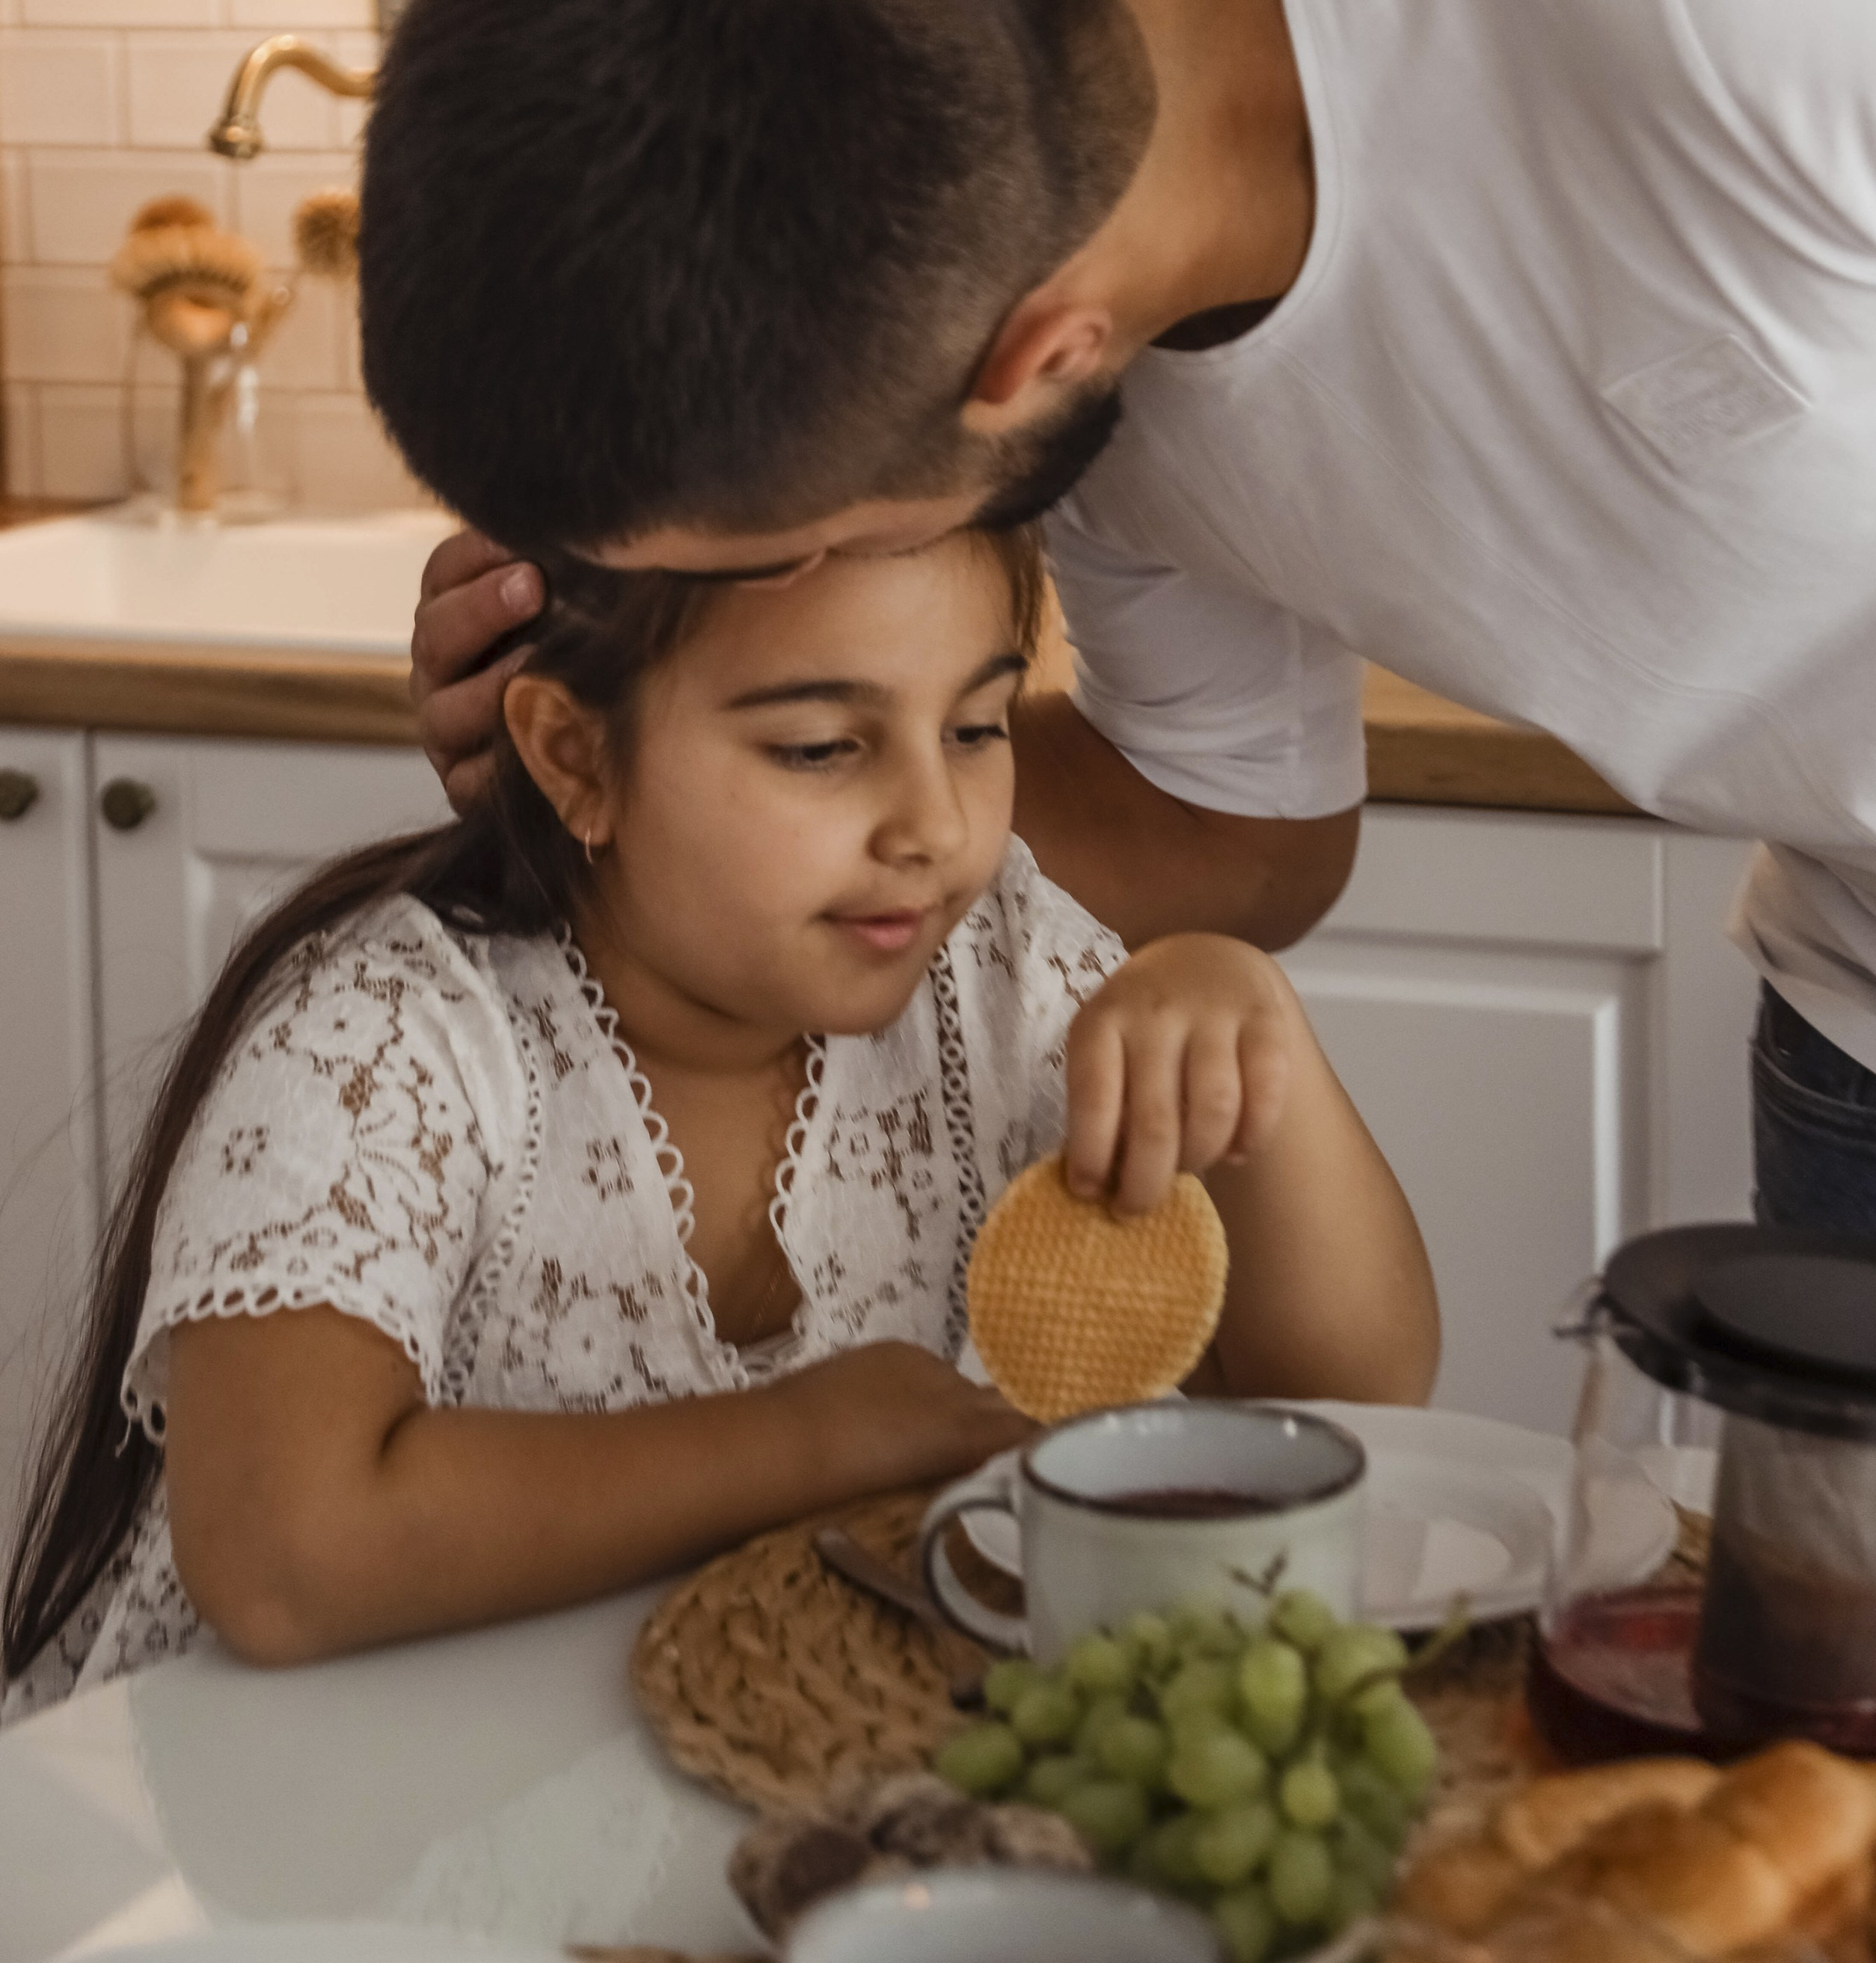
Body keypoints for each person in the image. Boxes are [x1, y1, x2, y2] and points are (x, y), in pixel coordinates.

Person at [383, 0, 1876, 1246]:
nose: (792, 594)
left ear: (1029, 363)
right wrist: (661, 788)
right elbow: (1236, 835)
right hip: (1874, 1034)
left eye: (777, 551)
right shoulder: (1062, 303)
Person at [1, 523, 1436, 1722]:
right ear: (575, 757)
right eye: (822, 748)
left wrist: (1252, 1027)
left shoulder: (996, 975)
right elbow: (285, 1553)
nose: (935, 824)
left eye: (980, 724)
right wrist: (811, 1436)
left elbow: (1358, 1378)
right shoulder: (392, 1042)